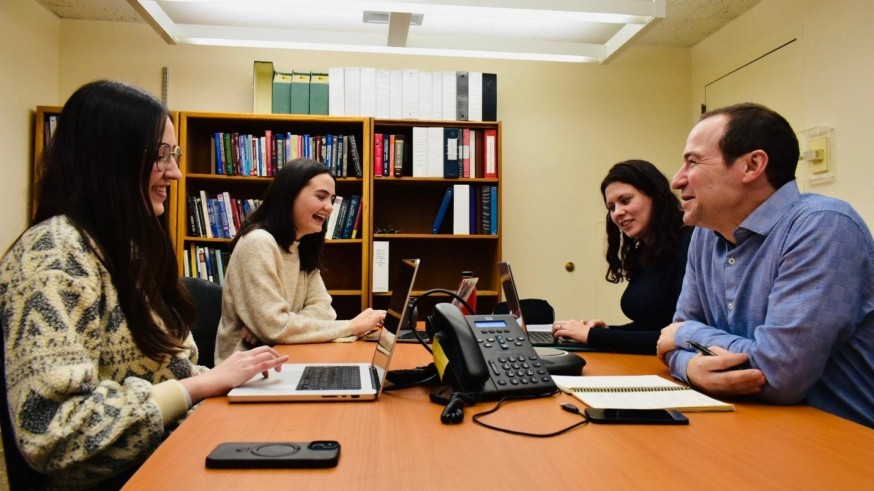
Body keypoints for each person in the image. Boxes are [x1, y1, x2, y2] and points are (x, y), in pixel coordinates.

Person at [0, 80, 289, 489]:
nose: (176, 172)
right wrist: (200, 386)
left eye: (175, 154)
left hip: (176, 459)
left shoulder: (125, 251)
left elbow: (176, 373)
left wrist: (228, 387)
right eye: (160, 156)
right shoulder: (53, 254)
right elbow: (55, 435)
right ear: (109, 160)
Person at [657, 102, 874, 428]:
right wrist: (689, 367)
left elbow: (779, 374)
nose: (677, 180)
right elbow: (667, 346)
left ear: (752, 165)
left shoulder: (824, 225)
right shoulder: (705, 236)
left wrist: (686, 335)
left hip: (842, 438)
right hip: (753, 425)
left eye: (693, 162)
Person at [214, 159, 385, 364]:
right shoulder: (258, 242)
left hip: (284, 356)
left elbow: (324, 309)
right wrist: (351, 327)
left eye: (331, 199)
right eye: (321, 196)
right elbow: (275, 327)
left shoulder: (301, 245)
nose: (330, 207)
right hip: (244, 370)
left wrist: (276, 326)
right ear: (289, 195)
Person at [552, 160, 692, 354]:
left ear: (655, 195)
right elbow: (650, 326)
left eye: (625, 201)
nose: (617, 213)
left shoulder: (690, 244)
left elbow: (680, 337)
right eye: (611, 207)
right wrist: (606, 331)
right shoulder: (646, 252)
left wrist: (594, 336)